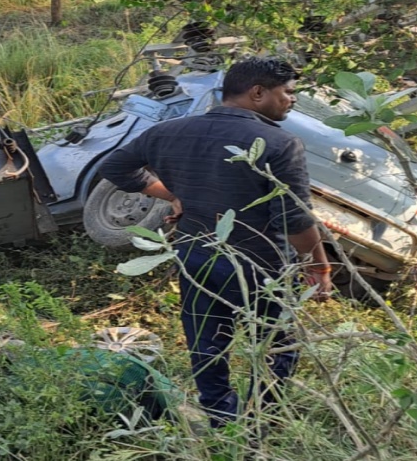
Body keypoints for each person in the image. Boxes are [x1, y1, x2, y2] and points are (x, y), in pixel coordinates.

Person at [99, 57, 331, 428]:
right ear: (258, 92)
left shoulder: (169, 132)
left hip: (195, 257)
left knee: (206, 340)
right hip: (262, 268)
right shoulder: (281, 143)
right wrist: (319, 264)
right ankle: (260, 423)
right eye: (287, 92)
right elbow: (295, 222)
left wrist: (172, 195)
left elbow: (114, 168)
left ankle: (221, 418)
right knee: (277, 345)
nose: (292, 100)